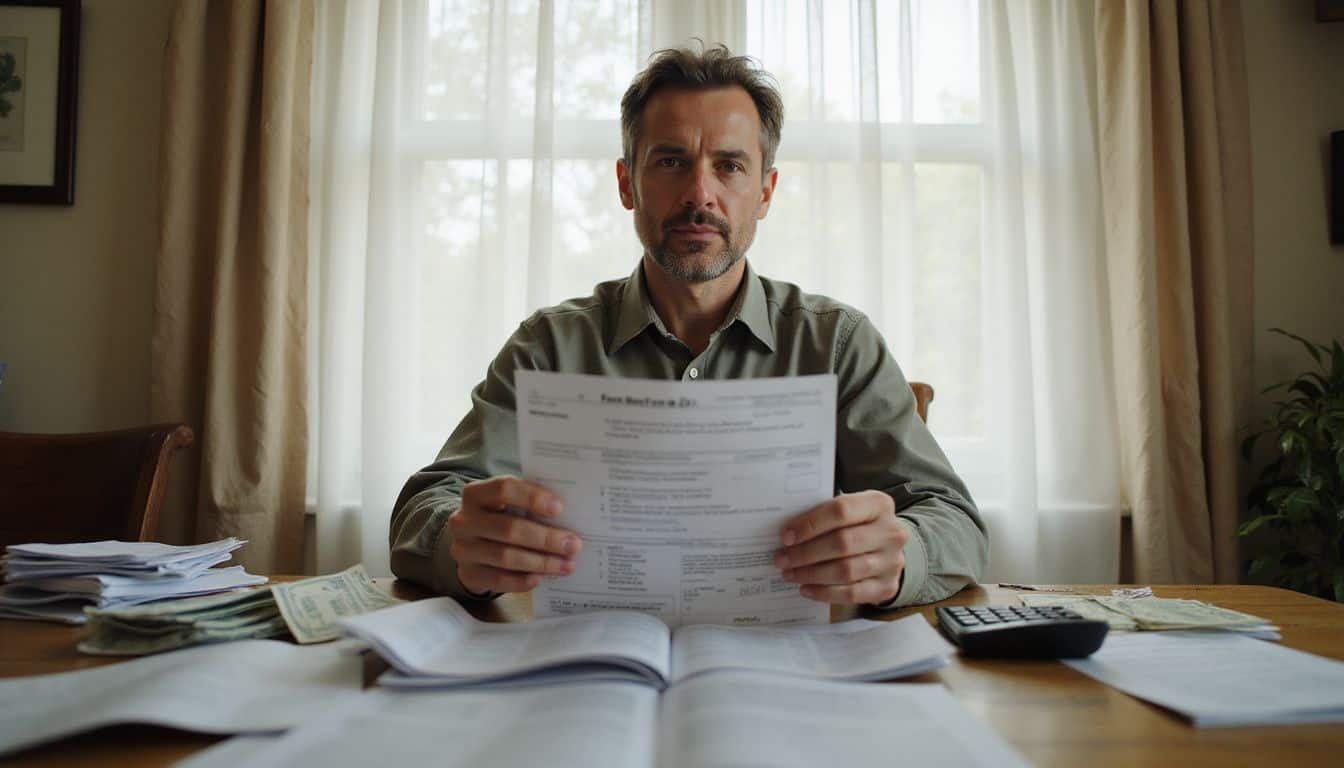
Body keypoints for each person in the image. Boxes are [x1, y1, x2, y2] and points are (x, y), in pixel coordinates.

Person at [390, 45, 986, 609]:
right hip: (582, 666)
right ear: (627, 183)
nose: (700, 194)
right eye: (671, 162)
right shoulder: (548, 348)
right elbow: (425, 506)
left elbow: (952, 518)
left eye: (729, 166)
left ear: (765, 192)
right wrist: (459, 545)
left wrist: (900, 558)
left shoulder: (838, 344)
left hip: (792, 669)